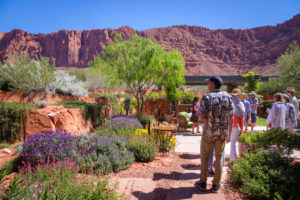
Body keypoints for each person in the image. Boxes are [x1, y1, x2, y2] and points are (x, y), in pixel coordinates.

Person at [194, 76, 233, 193]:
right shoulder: (228, 97)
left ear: (213, 85)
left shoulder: (206, 97)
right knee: (220, 158)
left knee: (205, 157)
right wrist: (229, 134)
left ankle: (202, 182)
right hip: (222, 134)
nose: (208, 85)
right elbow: (231, 117)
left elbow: (201, 117)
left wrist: (209, 120)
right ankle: (216, 185)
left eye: (209, 83)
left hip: (208, 133)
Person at [228, 88, 245, 162]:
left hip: (228, 124)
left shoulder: (228, 101)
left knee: (222, 143)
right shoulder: (240, 104)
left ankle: (221, 162)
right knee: (233, 143)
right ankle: (233, 160)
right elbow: (242, 118)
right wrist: (241, 129)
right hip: (236, 125)